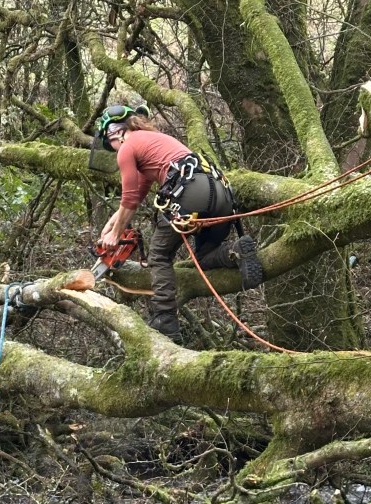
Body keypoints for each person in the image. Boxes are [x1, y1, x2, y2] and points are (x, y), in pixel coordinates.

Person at [95, 104, 263, 342]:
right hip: (221, 194)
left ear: (115, 133)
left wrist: (116, 235)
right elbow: (138, 194)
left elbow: (129, 198)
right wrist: (111, 227)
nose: (112, 149)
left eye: (109, 141)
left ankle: (165, 321)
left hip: (190, 192)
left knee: (160, 255)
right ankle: (235, 252)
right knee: (205, 257)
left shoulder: (126, 147)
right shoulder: (153, 141)